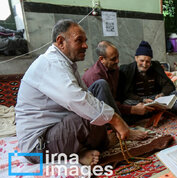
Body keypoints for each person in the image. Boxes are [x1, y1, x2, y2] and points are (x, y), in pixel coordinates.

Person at [15, 19, 146, 166]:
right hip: (38, 146)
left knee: (97, 94)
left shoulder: (66, 63)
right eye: (79, 41)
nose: (85, 46)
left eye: (85, 41)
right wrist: (115, 119)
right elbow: (77, 100)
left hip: (57, 130)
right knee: (89, 111)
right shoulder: (51, 63)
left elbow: (86, 96)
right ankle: (82, 152)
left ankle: (86, 148)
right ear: (61, 42)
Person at [82, 41, 154, 123]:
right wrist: (133, 109)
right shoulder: (95, 76)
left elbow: (121, 96)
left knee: (147, 109)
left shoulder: (114, 68)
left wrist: (141, 101)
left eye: (117, 57)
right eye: (113, 59)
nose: (117, 61)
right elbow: (104, 107)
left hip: (116, 106)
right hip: (100, 112)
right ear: (102, 59)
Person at [119, 40, 175, 105]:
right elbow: (126, 93)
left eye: (147, 62)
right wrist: (142, 100)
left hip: (154, 97)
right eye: (141, 61)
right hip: (138, 100)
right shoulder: (128, 70)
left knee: (175, 94)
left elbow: (168, 85)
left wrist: (162, 94)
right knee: (126, 102)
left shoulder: (155, 67)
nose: (144, 64)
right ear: (136, 58)